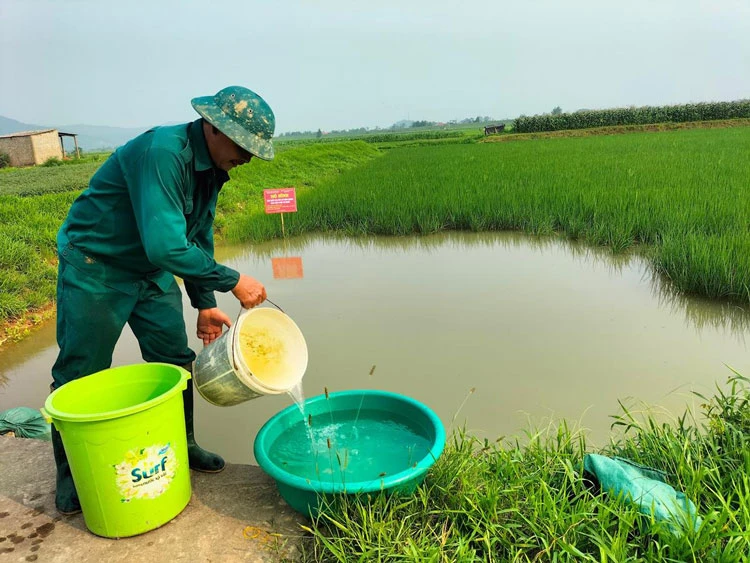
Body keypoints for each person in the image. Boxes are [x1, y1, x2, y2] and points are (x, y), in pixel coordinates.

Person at [50, 85, 275, 515]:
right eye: (243, 145)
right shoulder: (163, 153)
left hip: (149, 272)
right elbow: (166, 247)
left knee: (175, 359)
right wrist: (233, 281)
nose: (247, 157)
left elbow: (197, 235)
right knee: (80, 373)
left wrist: (205, 301)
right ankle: (72, 476)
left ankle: (184, 445)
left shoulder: (213, 168)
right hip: (97, 265)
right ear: (213, 127)